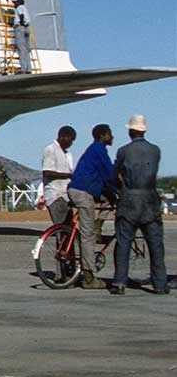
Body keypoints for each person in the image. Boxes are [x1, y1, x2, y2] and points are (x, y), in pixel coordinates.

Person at [110, 115, 167, 296]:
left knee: (124, 242)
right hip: (150, 199)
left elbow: (116, 174)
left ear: (130, 131)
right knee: (156, 244)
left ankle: (120, 281)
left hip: (129, 199)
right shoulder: (155, 150)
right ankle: (159, 283)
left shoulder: (123, 151)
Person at [67, 124, 116, 289]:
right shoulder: (99, 150)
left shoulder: (94, 149)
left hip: (80, 189)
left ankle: (98, 225)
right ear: (102, 135)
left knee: (109, 200)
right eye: (110, 134)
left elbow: (104, 178)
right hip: (83, 192)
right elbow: (109, 174)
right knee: (87, 237)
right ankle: (89, 277)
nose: (112, 137)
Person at [40, 125, 76, 224]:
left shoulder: (68, 154)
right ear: (62, 136)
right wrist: (68, 175)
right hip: (55, 195)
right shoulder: (51, 149)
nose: (71, 143)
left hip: (66, 196)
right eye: (70, 139)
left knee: (68, 228)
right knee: (61, 227)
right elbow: (47, 172)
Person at [12, 0, 33, 73]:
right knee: (26, 50)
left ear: (18, 3)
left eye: (15, 3)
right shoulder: (25, 9)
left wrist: (21, 22)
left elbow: (21, 15)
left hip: (20, 28)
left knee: (21, 49)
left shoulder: (20, 7)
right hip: (26, 28)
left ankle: (23, 68)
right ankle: (29, 69)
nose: (14, 4)